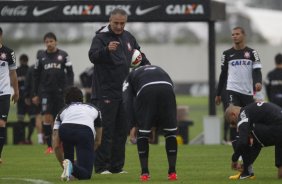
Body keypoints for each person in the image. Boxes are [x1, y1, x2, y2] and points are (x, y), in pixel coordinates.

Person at [88, 8, 150, 174]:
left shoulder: (128, 37)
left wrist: (150, 69)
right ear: (110, 20)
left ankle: (116, 167)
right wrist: (106, 50)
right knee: (105, 130)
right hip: (105, 92)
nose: (119, 26)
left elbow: (139, 56)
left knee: (121, 131)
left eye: (122, 23)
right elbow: (92, 56)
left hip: (123, 91)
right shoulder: (100, 37)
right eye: (116, 23)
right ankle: (101, 167)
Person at [215, 26, 262, 177]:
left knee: (247, 127)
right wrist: (218, 93)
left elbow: (257, 71)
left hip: (247, 93)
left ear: (243, 35)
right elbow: (223, 75)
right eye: (232, 34)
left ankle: (246, 164)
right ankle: (240, 161)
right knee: (234, 122)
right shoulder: (227, 54)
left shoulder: (252, 53)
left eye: (237, 34)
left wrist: (257, 83)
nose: (234, 36)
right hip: (232, 91)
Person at [123, 64, 178, 181]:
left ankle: (145, 173)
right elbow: (170, 86)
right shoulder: (159, 68)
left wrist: (133, 125)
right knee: (170, 133)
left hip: (147, 90)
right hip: (167, 89)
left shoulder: (131, 75)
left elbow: (127, 102)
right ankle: (172, 172)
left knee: (143, 134)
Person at [32, 32, 74, 154]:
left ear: (56, 42)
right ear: (44, 43)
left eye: (51, 41)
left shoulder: (64, 55)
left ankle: (60, 142)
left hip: (61, 92)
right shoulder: (41, 57)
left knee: (60, 117)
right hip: (46, 92)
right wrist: (35, 93)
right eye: (47, 42)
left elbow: (70, 72)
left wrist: (69, 88)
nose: (49, 44)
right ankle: (49, 146)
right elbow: (36, 75)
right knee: (47, 117)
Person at [52, 87, 102, 181]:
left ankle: (69, 171)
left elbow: (56, 145)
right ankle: (70, 167)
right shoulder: (95, 109)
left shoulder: (62, 111)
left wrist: (63, 164)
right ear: (82, 98)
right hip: (84, 131)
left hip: (65, 129)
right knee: (86, 175)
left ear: (65, 100)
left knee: (69, 163)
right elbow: (98, 141)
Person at [225, 102, 282, 180]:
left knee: (246, 137)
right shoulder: (251, 109)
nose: (235, 126)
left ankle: (246, 172)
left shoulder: (243, 114)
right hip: (278, 129)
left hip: (278, 128)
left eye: (233, 123)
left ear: (233, 114)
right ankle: (246, 169)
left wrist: (234, 159)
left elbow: (243, 141)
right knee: (280, 176)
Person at [0, 27, 19, 163]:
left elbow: (13, 73)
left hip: (4, 93)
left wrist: (16, 91)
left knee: (1, 124)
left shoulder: (8, 52)